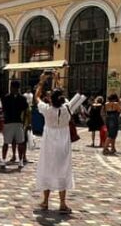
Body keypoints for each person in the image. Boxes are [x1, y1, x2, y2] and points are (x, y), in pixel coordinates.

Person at [34, 74, 86, 213]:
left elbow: (37, 97)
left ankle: (45, 201)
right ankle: (62, 203)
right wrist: (57, 82)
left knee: (47, 168)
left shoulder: (46, 110)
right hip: (63, 143)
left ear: (51, 99)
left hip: (48, 142)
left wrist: (41, 82)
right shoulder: (67, 108)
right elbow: (66, 97)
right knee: (63, 170)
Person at [1, 80, 29, 167]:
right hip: (10, 122)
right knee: (6, 143)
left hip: (17, 122)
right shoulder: (8, 97)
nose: (10, 89)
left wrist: (25, 123)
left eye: (11, 87)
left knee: (20, 143)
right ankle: (3, 160)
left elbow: (25, 111)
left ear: (14, 88)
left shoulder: (21, 98)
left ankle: (20, 160)